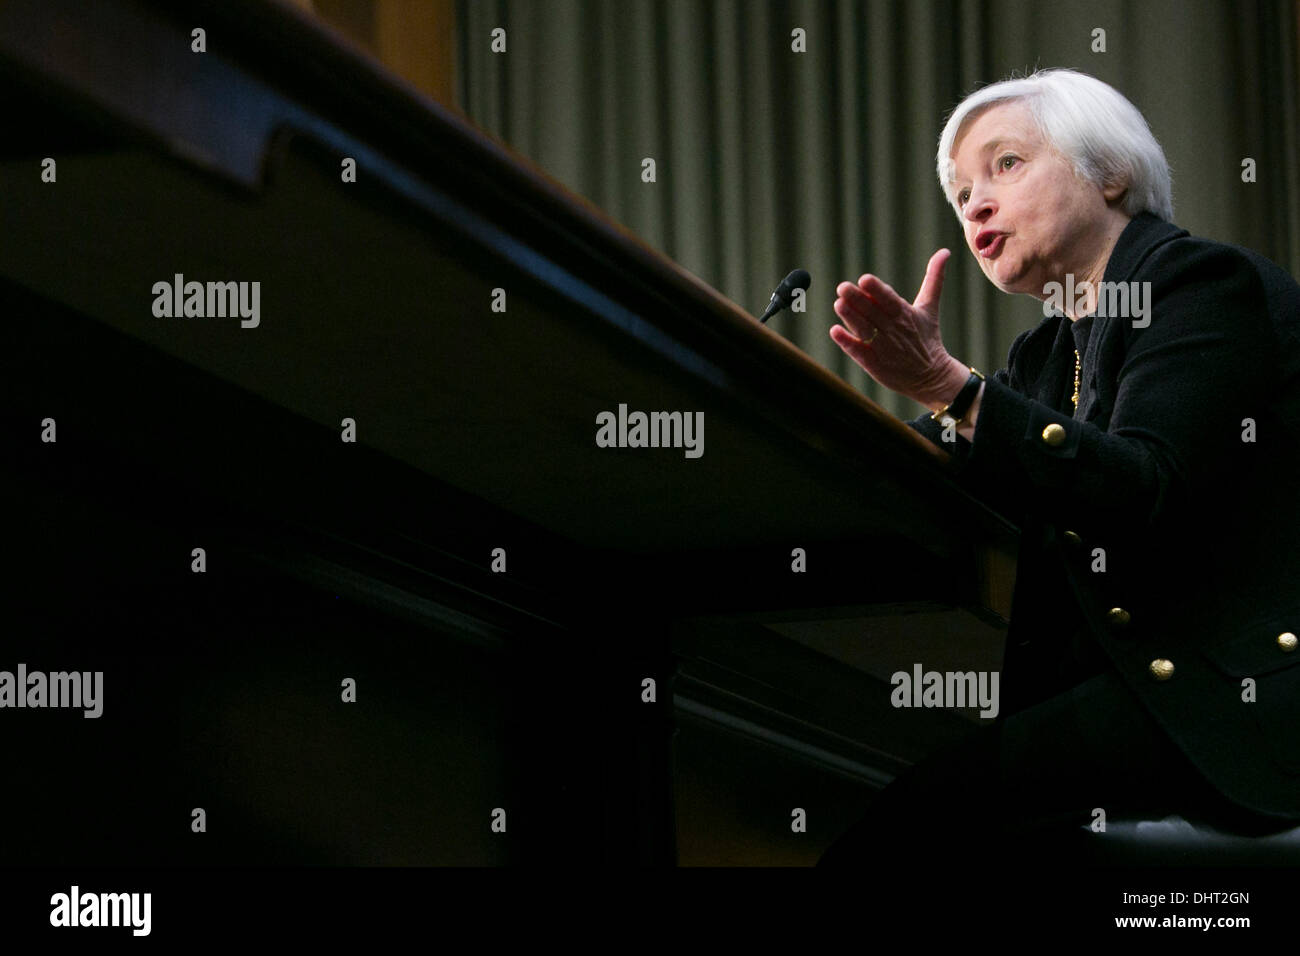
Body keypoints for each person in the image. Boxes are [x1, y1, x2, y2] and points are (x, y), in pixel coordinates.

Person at [818, 68, 1300, 867]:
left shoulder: (1200, 285)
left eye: (1004, 165)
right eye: (961, 190)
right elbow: (950, 476)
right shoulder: (1044, 353)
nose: (975, 202)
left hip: (1228, 701)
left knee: (901, 834)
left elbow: (1144, 491)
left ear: (1110, 174)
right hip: (1140, 698)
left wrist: (950, 388)